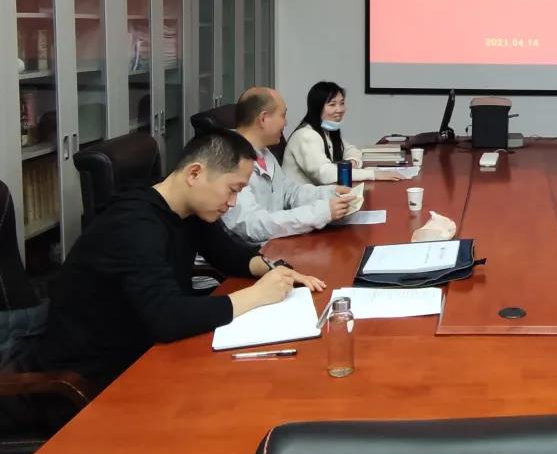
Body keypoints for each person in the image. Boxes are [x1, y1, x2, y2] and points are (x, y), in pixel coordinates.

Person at [34, 129, 326, 391]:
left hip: (150, 354)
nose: (233, 202)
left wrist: (275, 270)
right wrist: (257, 295)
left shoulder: (188, 210)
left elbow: (228, 254)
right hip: (96, 379)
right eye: (233, 189)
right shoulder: (134, 225)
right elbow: (167, 317)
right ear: (195, 173)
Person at [222, 87, 356, 246]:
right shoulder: (230, 160)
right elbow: (252, 225)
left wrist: (330, 193)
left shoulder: (264, 153)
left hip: (279, 243)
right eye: (282, 115)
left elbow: (290, 193)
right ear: (263, 118)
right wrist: (318, 213)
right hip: (256, 253)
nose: (285, 123)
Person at [283, 81, 402, 185]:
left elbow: (351, 150)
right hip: (303, 201)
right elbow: (325, 174)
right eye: (332, 104)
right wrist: (372, 174)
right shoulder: (306, 135)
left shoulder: (327, 130)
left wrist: (352, 162)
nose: (339, 110)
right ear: (317, 107)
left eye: (342, 103)